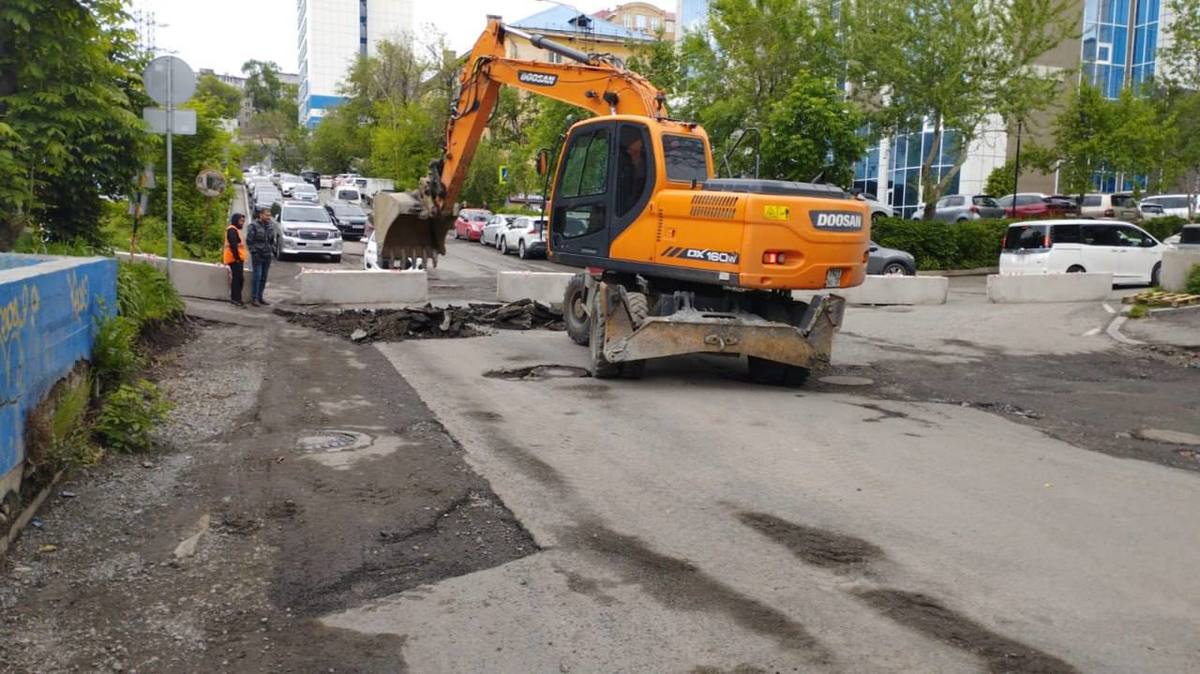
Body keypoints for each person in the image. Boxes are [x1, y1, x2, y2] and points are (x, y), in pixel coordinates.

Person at [245, 206, 278, 306]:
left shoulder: (270, 226)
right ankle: (254, 298)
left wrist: (271, 251)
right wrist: (254, 252)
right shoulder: (253, 226)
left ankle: (260, 297)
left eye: (269, 215)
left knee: (264, 277)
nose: (269, 217)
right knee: (257, 276)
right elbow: (249, 241)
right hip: (258, 255)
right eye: (266, 215)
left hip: (267, 255)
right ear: (261, 215)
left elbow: (272, 240)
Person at [223, 213, 248, 307]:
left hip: (236, 259)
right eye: (241, 221)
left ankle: (237, 298)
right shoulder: (232, 230)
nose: (242, 223)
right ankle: (236, 299)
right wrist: (237, 258)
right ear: (235, 220)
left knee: (238, 279)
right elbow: (233, 245)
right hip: (234, 259)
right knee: (238, 280)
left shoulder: (234, 230)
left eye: (243, 221)